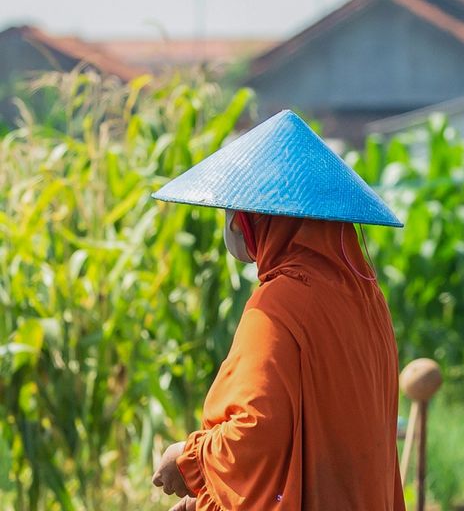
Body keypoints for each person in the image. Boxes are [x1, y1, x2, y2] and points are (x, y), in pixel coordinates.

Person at [149, 110, 407, 511]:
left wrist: (188, 462)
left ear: (258, 220)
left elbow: (255, 431)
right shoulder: (367, 299)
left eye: (238, 211)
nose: (232, 224)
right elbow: (308, 432)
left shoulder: (281, 301)